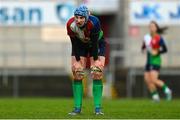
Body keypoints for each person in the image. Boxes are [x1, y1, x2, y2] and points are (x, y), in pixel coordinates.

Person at [66, 5, 106, 115]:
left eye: (81, 18)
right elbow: (73, 43)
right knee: (77, 72)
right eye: (76, 17)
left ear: (87, 17)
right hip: (80, 45)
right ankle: (77, 108)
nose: (78, 20)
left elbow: (94, 44)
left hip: (96, 44)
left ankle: (98, 109)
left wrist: (96, 60)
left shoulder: (94, 22)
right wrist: (77, 60)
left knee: (97, 71)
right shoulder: (70, 24)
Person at [141, 21, 172, 102]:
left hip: (155, 61)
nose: (151, 28)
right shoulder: (146, 37)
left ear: (156, 28)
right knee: (147, 80)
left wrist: (157, 52)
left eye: (153, 26)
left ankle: (167, 91)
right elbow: (143, 47)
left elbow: (165, 49)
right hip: (148, 61)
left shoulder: (159, 38)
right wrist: (143, 49)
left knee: (154, 80)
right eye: (150, 26)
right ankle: (155, 97)